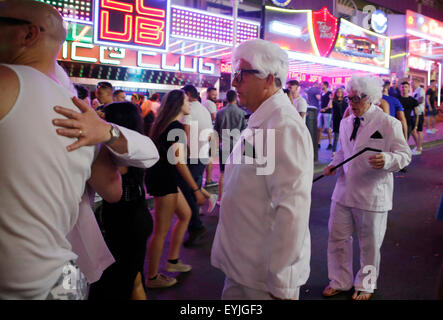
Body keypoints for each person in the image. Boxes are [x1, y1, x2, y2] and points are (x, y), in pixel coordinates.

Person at [0, 0, 121, 299]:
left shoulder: (7, 80)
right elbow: (112, 190)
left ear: (28, 34)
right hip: (66, 276)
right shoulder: (83, 115)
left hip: (18, 286)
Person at [211, 39, 313, 300]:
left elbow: (293, 209)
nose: (233, 83)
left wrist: (282, 283)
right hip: (243, 266)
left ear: (269, 79)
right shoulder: (262, 118)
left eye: (241, 75)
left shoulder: (283, 125)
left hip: (264, 278)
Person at [322, 75, 411, 301]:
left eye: (357, 99)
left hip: (372, 194)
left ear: (370, 98)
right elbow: (343, 152)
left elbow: (405, 155)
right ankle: (339, 280)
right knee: (337, 238)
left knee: (370, 244)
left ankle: (367, 283)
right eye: (349, 98)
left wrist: (388, 159)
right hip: (343, 191)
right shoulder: (345, 122)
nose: (352, 103)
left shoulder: (388, 123)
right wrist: (334, 164)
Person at [144, 90, 211, 288]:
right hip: (165, 180)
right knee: (160, 231)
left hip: (163, 177)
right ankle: (153, 277)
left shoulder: (164, 124)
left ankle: (172, 262)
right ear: (177, 104)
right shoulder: (176, 128)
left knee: (186, 214)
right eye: (185, 100)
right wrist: (196, 189)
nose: (189, 102)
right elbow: (181, 163)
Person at [87, 102, 153, 300]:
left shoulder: (111, 154)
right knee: (135, 278)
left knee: (119, 284)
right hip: (138, 219)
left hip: (123, 227)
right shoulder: (137, 148)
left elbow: (112, 194)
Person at [181, 84, 214, 247]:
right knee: (193, 187)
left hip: (192, 156)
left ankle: (195, 227)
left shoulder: (188, 110)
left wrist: (185, 152)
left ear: (187, 94)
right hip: (202, 155)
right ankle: (196, 218)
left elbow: (184, 135)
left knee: (189, 190)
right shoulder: (204, 110)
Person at [214, 89, 247, 203]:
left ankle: (220, 198)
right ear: (236, 98)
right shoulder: (241, 113)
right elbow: (244, 131)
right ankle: (234, 198)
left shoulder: (220, 113)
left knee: (223, 173)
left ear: (226, 99)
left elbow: (216, 130)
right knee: (236, 172)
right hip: (237, 145)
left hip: (225, 145)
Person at [203, 87, 218, 187]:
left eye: (215, 95)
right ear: (208, 94)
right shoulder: (210, 103)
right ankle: (208, 180)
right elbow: (215, 117)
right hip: (209, 132)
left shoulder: (204, 103)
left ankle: (206, 179)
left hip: (204, 131)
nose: (215, 96)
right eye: (213, 94)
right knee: (209, 157)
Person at [331, 87, 348, 155]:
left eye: (341, 92)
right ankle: (334, 152)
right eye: (338, 92)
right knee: (336, 137)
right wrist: (331, 98)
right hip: (336, 121)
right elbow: (330, 106)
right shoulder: (334, 101)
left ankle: (344, 152)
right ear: (336, 93)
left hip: (344, 121)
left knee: (344, 138)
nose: (339, 93)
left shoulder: (345, 101)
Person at [411, 78, 426, 155]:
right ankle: (418, 146)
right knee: (413, 131)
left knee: (418, 131)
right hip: (414, 113)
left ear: (417, 83)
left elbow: (422, 99)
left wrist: (412, 103)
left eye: (412, 82)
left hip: (419, 113)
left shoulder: (420, 90)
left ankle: (418, 148)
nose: (411, 84)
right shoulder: (414, 91)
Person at [317, 81, 333, 150]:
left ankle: (330, 144)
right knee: (319, 128)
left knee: (327, 128)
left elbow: (330, 104)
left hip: (327, 113)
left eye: (322, 85)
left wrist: (324, 109)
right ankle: (318, 143)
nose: (321, 86)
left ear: (326, 86)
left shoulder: (329, 93)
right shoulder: (321, 93)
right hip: (321, 112)